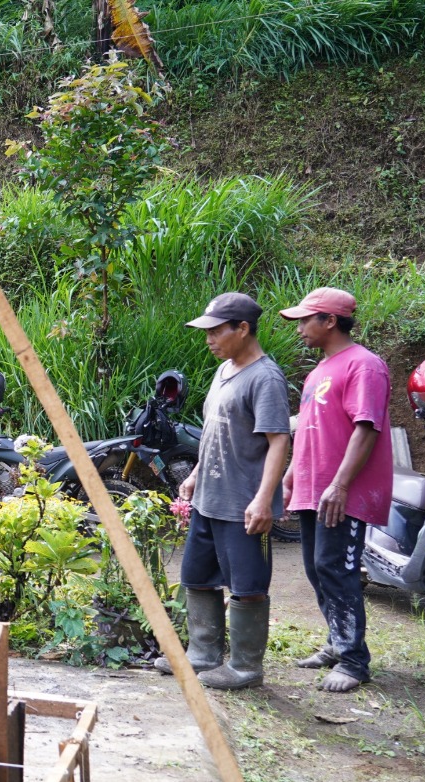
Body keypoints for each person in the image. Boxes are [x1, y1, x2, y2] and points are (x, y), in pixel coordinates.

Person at [155, 293, 290, 690]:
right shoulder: (224, 371)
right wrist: (196, 474)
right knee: (196, 576)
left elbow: (278, 441)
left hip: (242, 502)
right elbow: (217, 432)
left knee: (247, 586)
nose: (209, 339)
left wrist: (263, 499)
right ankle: (203, 654)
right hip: (209, 498)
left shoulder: (265, 378)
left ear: (243, 328)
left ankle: (246, 666)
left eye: (216, 331)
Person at [280, 287, 392, 693]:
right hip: (314, 488)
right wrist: (291, 476)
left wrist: (341, 484)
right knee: (317, 568)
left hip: (344, 493)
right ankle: (337, 642)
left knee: (336, 569)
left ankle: (353, 661)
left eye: (305, 320)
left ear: (330, 320)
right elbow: (311, 432)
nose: (299, 329)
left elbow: (367, 429)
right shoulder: (318, 372)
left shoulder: (365, 365)